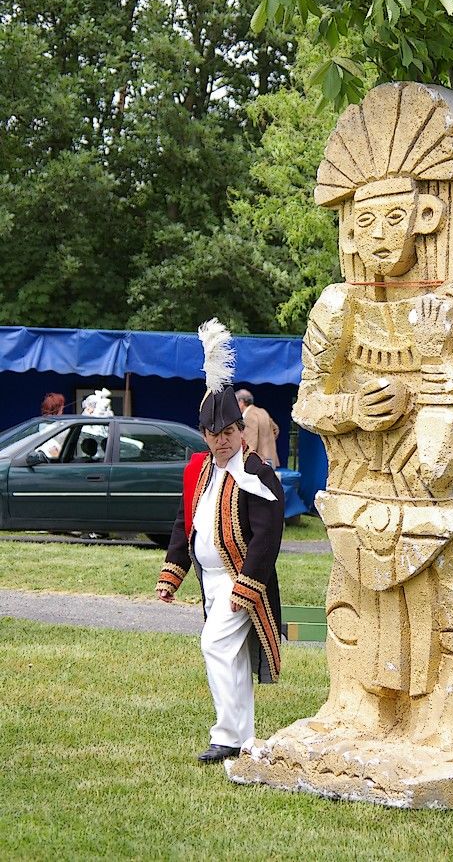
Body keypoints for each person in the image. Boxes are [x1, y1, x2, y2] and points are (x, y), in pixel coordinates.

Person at [156, 319, 284, 764]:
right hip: (209, 581)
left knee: (215, 645)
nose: (221, 442)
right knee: (228, 655)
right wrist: (172, 574)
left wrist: (249, 585)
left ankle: (227, 735)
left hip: (240, 580)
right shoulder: (200, 469)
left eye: (227, 434)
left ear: (240, 430)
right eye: (213, 436)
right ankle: (241, 736)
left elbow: (269, 534)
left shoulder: (258, 473)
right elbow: (184, 523)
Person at [235, 388, 280, 468]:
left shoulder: (249, 416)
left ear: (241, 402)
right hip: (270, 459)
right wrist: (267, 442)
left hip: (258, 462)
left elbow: (250, 442)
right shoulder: (262, 411)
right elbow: (275, 429)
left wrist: (244, 460)